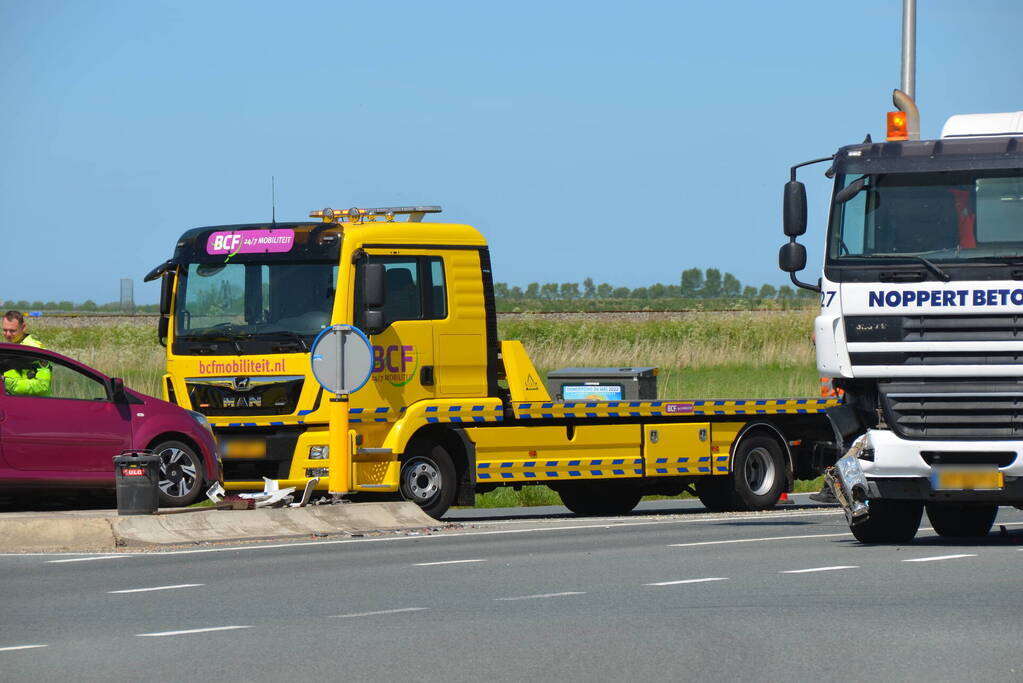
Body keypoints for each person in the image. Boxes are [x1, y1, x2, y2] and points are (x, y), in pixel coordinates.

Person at [1, 310, 51, 396]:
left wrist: (6, 383)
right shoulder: (9, 348)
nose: (8, 334)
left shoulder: (35, 349)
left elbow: (43, 386)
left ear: (23, 327)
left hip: (32, 405)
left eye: (12, 331)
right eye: (5, 330)